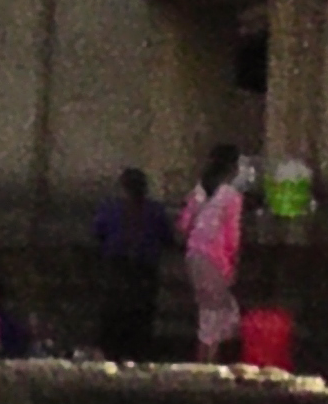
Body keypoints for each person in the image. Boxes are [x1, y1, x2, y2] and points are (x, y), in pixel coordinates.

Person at [87, 168, 173, 361]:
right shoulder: (154, 211)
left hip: (119, 266)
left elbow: (98, 233)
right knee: (141, 312)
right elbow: (167, 237)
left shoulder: (110, 209)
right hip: (143, 268)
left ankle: (111, 350)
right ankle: (137, 351)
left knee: (114, 310)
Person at [183, 146, 252, 363]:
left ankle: (203, 363)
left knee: (208, 314)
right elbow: (232, 237)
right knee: (219, 316)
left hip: (194, 255)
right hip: (215, 259)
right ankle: (210, 364)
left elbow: (184, 224)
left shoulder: (200, 191)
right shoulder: (231, 196)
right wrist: (232, 266)